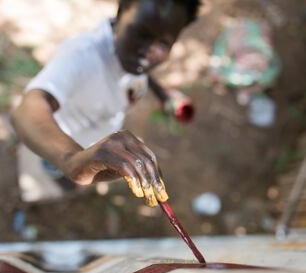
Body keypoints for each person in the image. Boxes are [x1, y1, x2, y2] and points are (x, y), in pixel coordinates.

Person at [11, 0, 201, 207]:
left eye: (163, 43)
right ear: (121, 13)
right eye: (141, 34)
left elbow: (140, 72)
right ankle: (43, 200)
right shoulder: (82, 55)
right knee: (52, 181)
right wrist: (72, 160)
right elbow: (27, 110)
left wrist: (163, 94)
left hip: (92, 141)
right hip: (57, 143)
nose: (148, 52)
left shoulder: (132, 58)